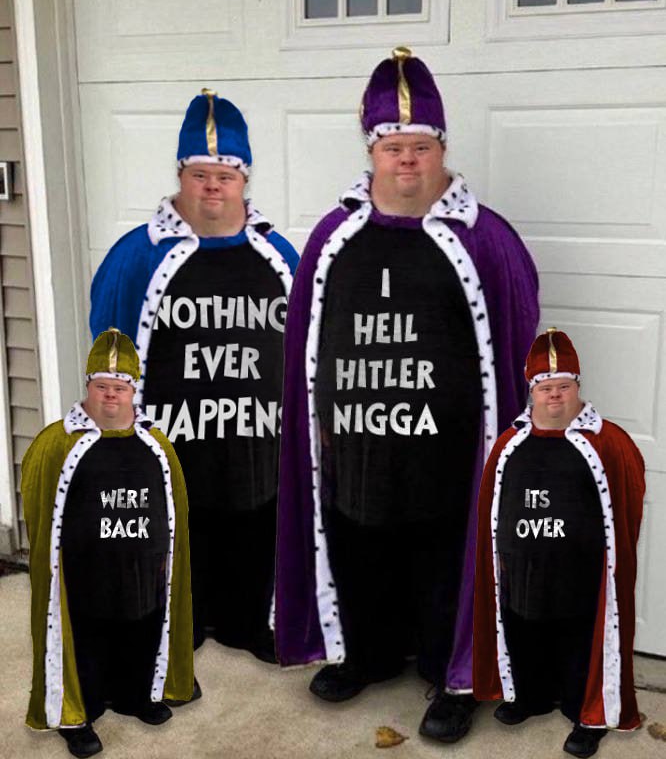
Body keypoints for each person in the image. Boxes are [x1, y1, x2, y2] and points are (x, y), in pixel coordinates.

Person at [275, 47, 539, 742]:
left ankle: (454, 678)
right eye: (394, 148)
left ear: (442, 148)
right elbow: (306, 340)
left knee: (442, 556)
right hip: (356, 441)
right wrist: (318, 418)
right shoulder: (333, 237)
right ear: (372, 151)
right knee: (359, 543)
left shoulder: (486, 241)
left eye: (421, 146)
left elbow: (516, 339)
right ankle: (367, 654)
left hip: (448, 450)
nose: (408, 161)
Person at [90, 90, 298, 661]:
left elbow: (310, 343)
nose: (212, 187)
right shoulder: (136, 256)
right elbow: (108, 342)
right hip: (172, 435)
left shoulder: (280, 254)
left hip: (257, 435)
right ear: (180, 175)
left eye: (225, 175)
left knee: (256, 518)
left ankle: (248, 622)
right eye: (200, 174)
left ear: (244, 179)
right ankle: (179, 625)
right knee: (177, 521)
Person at [22, 329, 194, 758]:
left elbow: (174, 511)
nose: (111, 395)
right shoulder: (57, 444)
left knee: (141, 627)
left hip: (143, 574)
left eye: (120, 387)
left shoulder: (157, 445)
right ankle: (79, 714)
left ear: (133, 391)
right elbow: (40, 509)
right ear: (88, 388)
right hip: (84, 578)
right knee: (88, 640)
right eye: (102, 386)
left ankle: (138, 696)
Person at [474, 328, 645, 758]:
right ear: (532, 392)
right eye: (545, 387)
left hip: (580, 576)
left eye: (563, 386)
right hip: (523, 573)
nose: (554, 395)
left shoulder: (609, 443)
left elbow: (626, 505)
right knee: (525, 630)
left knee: (577, 640)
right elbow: (491, 509)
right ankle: (529, 697)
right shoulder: (508, 445)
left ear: (577, 388)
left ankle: (586, 714)